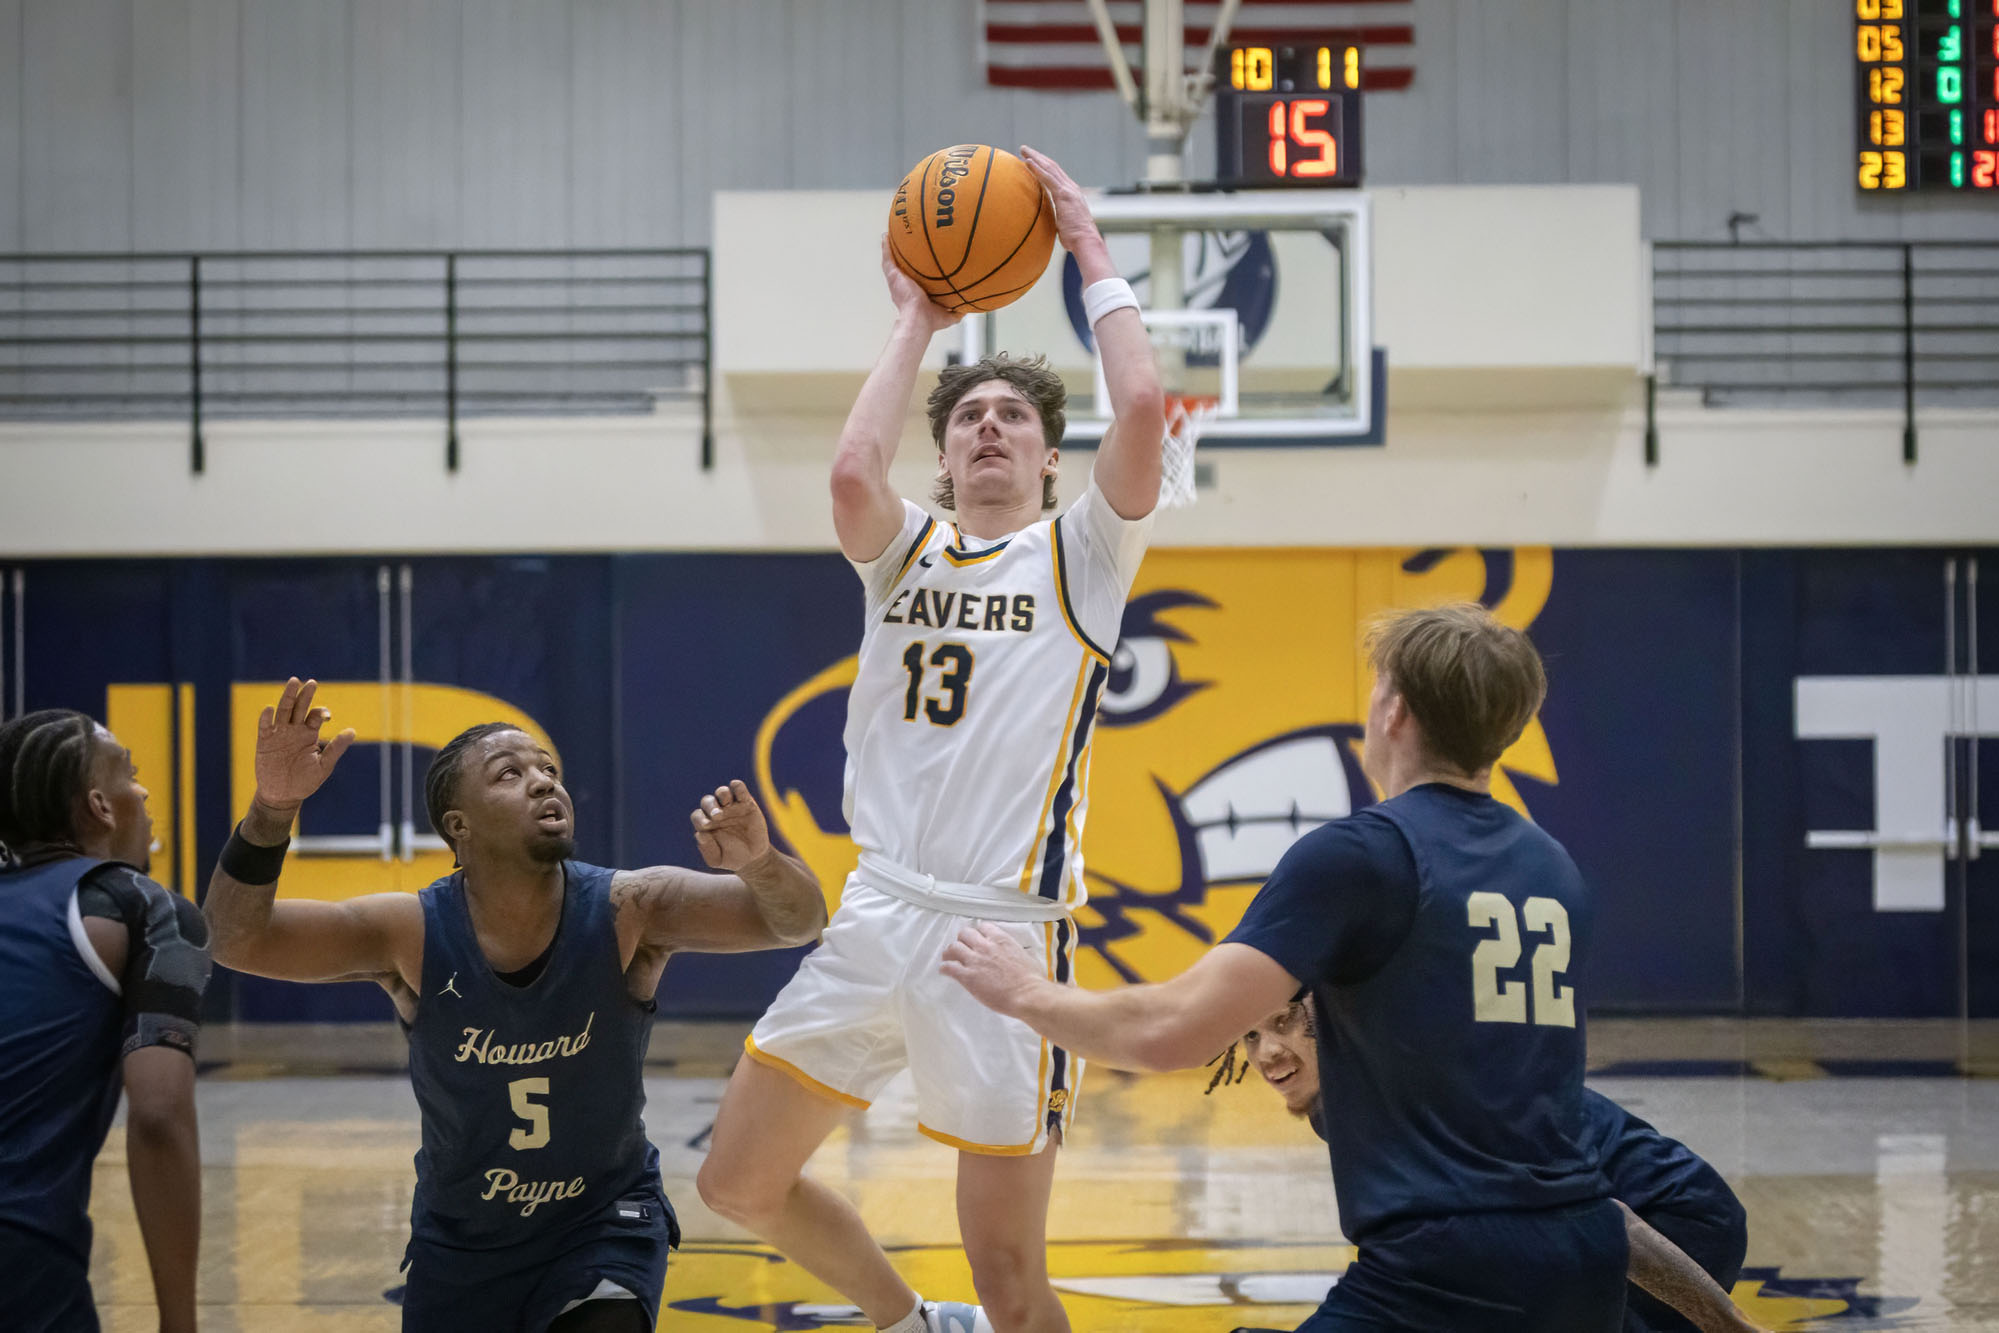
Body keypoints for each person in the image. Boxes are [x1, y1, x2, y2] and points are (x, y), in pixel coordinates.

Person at [696, 144, 1165, 1333]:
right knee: (734, 1181)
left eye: (1014, 417)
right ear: (946, 457)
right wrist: (916, 317)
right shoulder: (906, 550)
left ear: (1050, 454)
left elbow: (1143, 411)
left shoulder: (1083, 554)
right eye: (967, 419)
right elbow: (852, 471)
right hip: (877, 908)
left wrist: (1087, 247)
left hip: (998, 934)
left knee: (1008, 1275)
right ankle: (910, 1324)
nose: (990, 427)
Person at [943, 602, 1630, 1331]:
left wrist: (1024, 992)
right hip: (1584, 1256)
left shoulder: (1364, 854)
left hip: (1445, 1266)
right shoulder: (1552, 865)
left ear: (1394, 710)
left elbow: (1171, 1031)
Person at [203, 679, 826, 1333]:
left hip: (602, 1222)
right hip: (462, 1243)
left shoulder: (631, 907)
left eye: (547, 769)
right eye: (509, 773)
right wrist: (272, 809)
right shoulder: (410, 931)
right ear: (460, 826)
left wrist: (760, 862)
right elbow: (235, 939)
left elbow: (798, 920)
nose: (541, 782)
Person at [1223, 1000, 1764, 1333]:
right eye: (1250, 1035)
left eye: (1283, 1022)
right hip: (1590, 1240)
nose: (1267, 1053)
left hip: (1673, 1220)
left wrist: (1729, 1324)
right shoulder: (1344, 1102)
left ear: (1328, 1011)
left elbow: (1601, 1220)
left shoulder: (1408, 1093)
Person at [0, 710, 210, 1333]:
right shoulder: (142, 908)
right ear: (101, 807)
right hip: (21, 1255)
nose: (143, 792)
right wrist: (179, 1324)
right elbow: (158, 1116)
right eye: (131, 773)